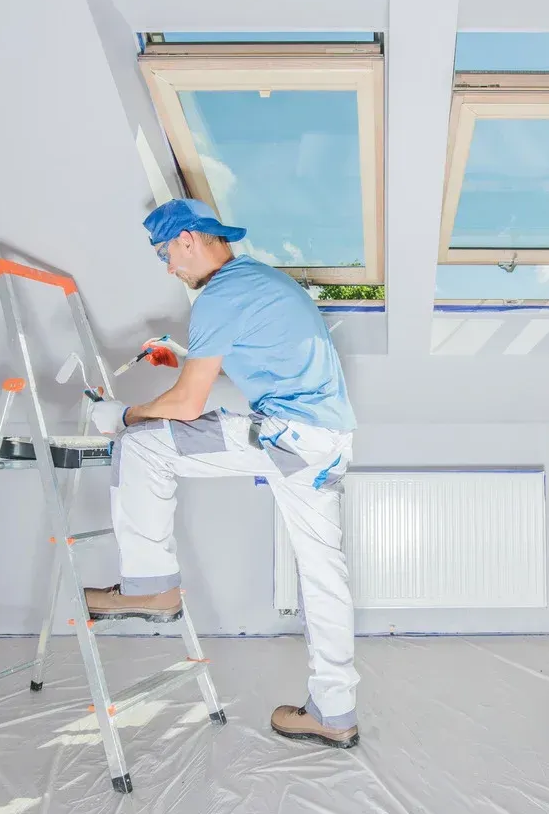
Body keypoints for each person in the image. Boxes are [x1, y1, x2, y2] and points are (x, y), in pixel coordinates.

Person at [85, 198, 360, 749]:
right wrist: (186, 355)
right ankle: (335, 710)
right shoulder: (259, 282)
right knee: (325, 576)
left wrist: (121, 414)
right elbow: (264, 351)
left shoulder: (219, 297)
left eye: (166, 253)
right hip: (328, 442)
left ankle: (151, 587)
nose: (168, 267)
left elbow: (187, 407)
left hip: (287, 437)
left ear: (188, 238)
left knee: (142, 444)